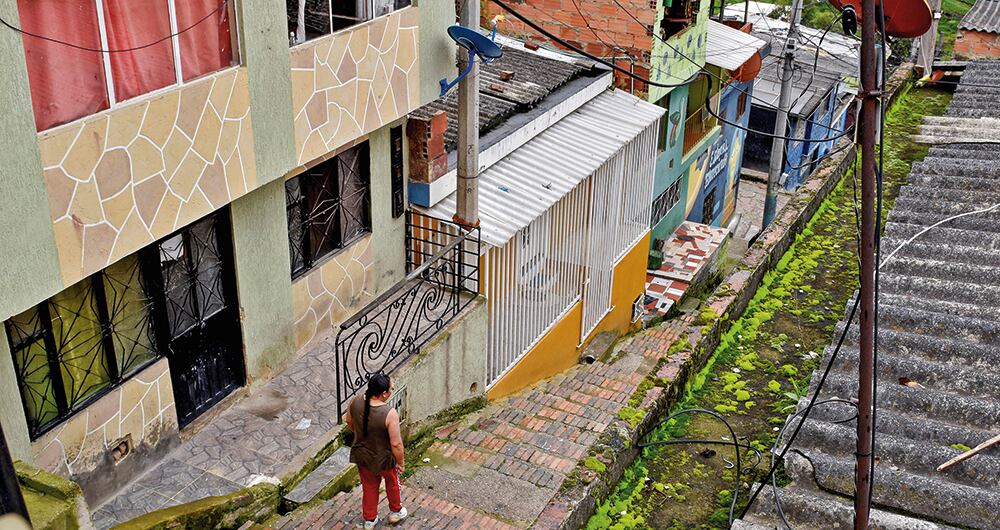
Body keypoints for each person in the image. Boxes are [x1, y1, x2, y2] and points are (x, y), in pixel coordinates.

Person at [345, 373, 407, 528]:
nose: (392, 390)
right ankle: (396, 511)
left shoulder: (355, 400)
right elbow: (396, 444)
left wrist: (361, 436)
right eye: (391, 389)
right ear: (384, 394)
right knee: (392, 482)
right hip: (384, 458)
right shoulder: (389, 413)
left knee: (369, 486)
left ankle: (370, 519)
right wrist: (401, 462)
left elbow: (349, 422)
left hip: (363, 455)